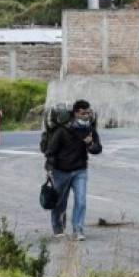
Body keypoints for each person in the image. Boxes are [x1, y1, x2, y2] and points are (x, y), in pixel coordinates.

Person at [45, 100, 102, 241]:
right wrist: (49, 168)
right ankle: (58, 229)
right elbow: (51, 151)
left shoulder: (89, 129)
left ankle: (78, 230)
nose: (86, 116)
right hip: (61, 171)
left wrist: (90, 143)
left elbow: (97, 149)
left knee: (81, 201)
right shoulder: (62, 130)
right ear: (76, 113)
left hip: (80, 171)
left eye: (88, 113)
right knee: (60, 203)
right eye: (83, 113)